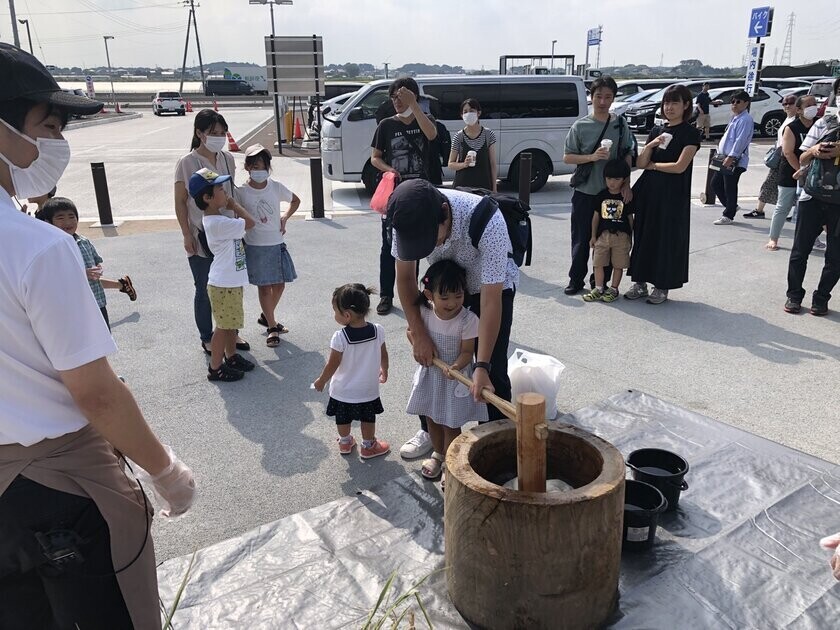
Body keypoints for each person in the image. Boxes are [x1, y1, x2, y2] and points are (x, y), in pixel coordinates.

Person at [0, 42, 194, 630]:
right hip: (61, 484)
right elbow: (96, 392)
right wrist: (165, 472)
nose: (58, 143)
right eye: (48, 125)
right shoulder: (38, 247)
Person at [390, 180, 518, 458]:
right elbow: (404, 278)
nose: (425, 249)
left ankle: (496, 444)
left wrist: (480, 364)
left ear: (445, 214)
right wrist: (419, 332)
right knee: (431, 363)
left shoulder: (488, 222)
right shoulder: (404, 218)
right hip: (442, 288)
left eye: (429, 240)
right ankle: (430, 429)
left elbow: (491, 299)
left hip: (487, 288)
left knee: (493, 370)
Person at [175, 108, 249, 354]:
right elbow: (179, 201)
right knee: (205, 287)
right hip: (202, 232)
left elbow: (231, 192)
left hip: (229, 233)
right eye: (213, 132)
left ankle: (231, 334)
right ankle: (208, 336)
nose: (218, 136)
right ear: (199, 133)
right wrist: (186, 233)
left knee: (232, 285)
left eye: (222, 132)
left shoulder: (227, 158)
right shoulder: (187, 163)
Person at [406, 260, 487, 483]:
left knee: (451, 424)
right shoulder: (424, 313)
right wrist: (416, 342)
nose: (453, 303)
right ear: (429, 294)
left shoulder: (468, 320)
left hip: (453, 378)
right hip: (431, 376)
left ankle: (451, 463)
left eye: (458, 296)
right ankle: (438, 454)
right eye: (445, 297)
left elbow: (467, 352)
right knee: (432, 417)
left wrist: (456, 367)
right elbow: (411, 333)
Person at [627, 84, 701, 304]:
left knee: (666, 239)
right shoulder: (657, 130)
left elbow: (680, 166)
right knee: (643, 235)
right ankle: (639, 282)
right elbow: (640, 163)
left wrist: (655, 166)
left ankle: (662, 286)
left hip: (673, 196)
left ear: (686, 105)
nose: (669, 107)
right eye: (666, 103)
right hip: (649, 193)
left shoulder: (690, 133)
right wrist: (650, 145)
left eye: (675, 102)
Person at [370, 77, 438, 315]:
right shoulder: (386, 125)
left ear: (413, 96)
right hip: (394, 195)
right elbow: (375, 157)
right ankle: (386, 295)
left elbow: (431, 135)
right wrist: (388, 169)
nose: (396, 101)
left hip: (420, 193)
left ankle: (415, 293)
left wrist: (415, 106)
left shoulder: (425, 119)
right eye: (393, 97)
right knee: (388, 244)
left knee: (416, 243)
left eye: (400, 96)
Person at [562, 75, 634, 295]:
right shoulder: (581, 126)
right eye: (598, 96)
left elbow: (628, 153)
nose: (603, 101)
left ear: (613, 99)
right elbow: (567, 157)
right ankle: (576, 280)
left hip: (612, 194)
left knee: (611, 238)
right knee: (582, 239)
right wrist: (591, 157)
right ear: (591, 97)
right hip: (586, 192)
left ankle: (599, 282)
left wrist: (626, 184)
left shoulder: (620, 124)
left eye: (608, 97)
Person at [189, 167, 257, 381]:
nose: (224, 191)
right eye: (219, 188)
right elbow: (251, 223)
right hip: (224, 283)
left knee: (230, 323)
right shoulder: (218, 223)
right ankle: (215, 368)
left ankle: (232, 356)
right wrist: (234, 204)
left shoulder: (218, 220)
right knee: (223, 326)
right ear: (208, 197)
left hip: (229, 280)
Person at [313, 283, 391, 459]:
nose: (334, 315)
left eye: (335, 311)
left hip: (343, 391)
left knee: (343, 418)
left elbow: (332, 364)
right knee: (368, 419)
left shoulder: (340, 337)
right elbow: (383, 354)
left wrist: (321, 380)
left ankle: (345, 441)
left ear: (347, 315)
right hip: (367, 389)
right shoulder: (378, 331)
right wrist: (384, 369)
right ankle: (369, 445)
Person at [235, 143, 301, 347]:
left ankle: (267, 316)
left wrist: (285, 217)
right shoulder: (242, 192)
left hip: (276, 242)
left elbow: (295, 201)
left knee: (280, 284)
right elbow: (236, 214)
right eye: (254, 166)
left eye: (262, 166)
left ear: (268, 167)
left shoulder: (275, 186)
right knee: (264, 288)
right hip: (255, 245)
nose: (258, 170)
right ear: (247, 167)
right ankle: (272, 327)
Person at [38, 196, 136, 329]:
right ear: (49, 222)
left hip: (97, 301)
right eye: (60, 218)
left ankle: (121, 285)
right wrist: (83, 274)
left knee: (104, 337)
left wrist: (98, 269)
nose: (68, 221)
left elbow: (96, 262)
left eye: (72, 216)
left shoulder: (84, 241)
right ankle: (121, 285)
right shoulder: (51, 248)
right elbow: (53, 276)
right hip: (73, 307)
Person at [783, 105, 840, 316]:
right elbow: (802, 158)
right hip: (812, 197)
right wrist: (814, 151)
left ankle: (822, 298)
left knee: (836, 257)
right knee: (800, 250)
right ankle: (794, 295)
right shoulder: (824, 123)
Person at [766, 95, 817, 251]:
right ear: (799, 109)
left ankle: (812, 239)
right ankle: (773, 238)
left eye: (814, 104)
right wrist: (800, 171)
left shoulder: (819, 125)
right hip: (791, 171)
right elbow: (788, 153)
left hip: (814, 174)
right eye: (808, 105)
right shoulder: (792, 127)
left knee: (812, 209)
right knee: (783, 206)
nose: (813, 107)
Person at [583, 159, 634, 303]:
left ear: (624, 179)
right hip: (602, 236)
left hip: (621, 236)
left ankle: (614, 288)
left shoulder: (627, 197)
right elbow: (596, 217)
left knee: (618, 264)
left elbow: (630, 218)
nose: (612, 182)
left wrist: (630, 236)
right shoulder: (601, 195)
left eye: (617, 179)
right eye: (609, 178)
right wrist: (593, 236)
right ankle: (599, 288)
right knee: (598, 262)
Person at [744, 94, 798, 219]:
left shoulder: (797, 120)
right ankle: (760, 209)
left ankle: (761, 210)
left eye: (791, 103)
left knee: (784, 186)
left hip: (788, 157)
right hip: (781, 156)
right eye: (785, 103)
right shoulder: (787, 119)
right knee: (774, 184)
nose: (787, 106)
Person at [712, 90, 754, 225]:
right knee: (716, 184)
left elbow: (740, 140)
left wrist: (732, 156)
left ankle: (728, 215)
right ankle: (731, 206)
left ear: (746, 103)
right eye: (732, 102)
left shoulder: (745, 119)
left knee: (730, 186)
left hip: (734, 159)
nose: (734, 104)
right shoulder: (735, 117)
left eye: (738, 102)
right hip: (724, 157)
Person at [448, 98, 498, 192]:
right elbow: (450, 164)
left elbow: (492, 164)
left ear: (478, 113)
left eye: (471, 111)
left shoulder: (488, 134)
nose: (468, 114)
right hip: (463, 188)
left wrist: (494, 188)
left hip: (484, 187)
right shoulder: (459, 136)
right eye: (465, 112)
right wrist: (464, 164)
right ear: (461, 115)